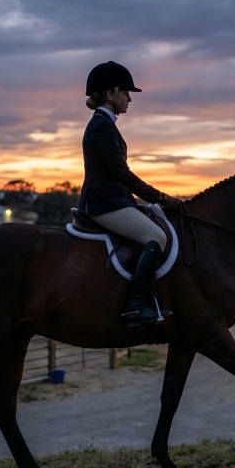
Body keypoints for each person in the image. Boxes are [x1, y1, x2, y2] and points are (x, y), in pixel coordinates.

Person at [78, 61, 183, 327]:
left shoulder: (105, 124)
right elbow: (122, 174)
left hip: (114, 199)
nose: (129, 99)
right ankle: (135, 307)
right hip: (105, 203)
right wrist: (161, 197)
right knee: (156, 236)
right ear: (110, 94)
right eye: (125, 93)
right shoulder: (102, 126)